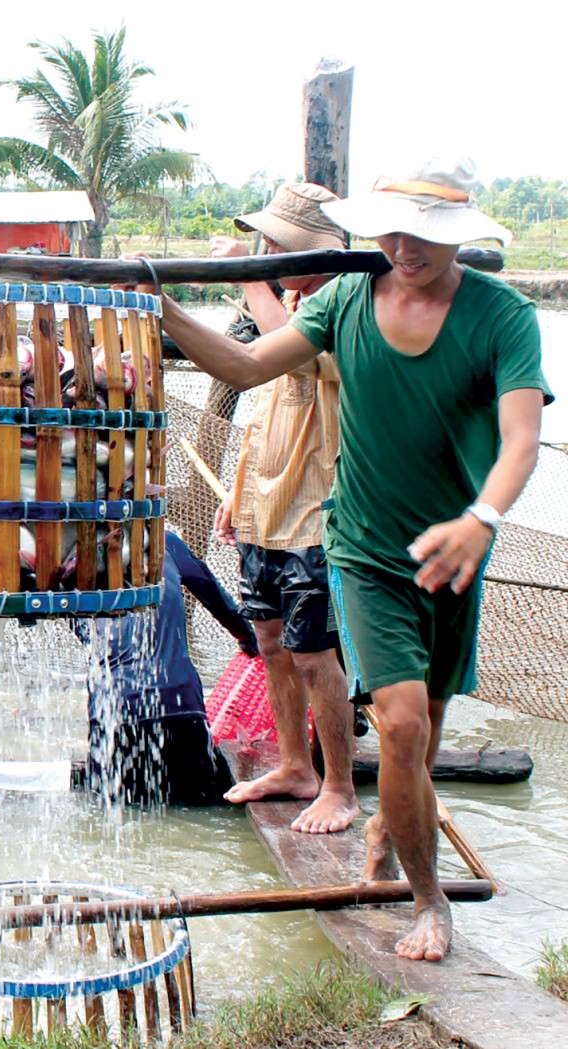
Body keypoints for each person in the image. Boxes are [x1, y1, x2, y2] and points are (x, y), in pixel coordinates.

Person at [138, 158, 548, 964]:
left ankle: (392, 838)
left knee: (422, 738)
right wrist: (164, 307)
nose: (404, 246)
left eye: (425, 234)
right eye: (391, 230)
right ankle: (429, 905)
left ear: (457, 239)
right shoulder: (345, 300)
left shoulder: (502, 316)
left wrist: (481, 518)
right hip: (360, 547)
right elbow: (251, 365)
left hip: (452, 547)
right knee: (396, 723)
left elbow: (522, 440)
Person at [206, 183, 359, 834]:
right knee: (268, 643)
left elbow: (280, 355)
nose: (268, 252)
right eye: (265, 244)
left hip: (314, 519)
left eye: (278, 244)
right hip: (266, 515)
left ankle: (341, 787)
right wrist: (237, 498)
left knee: (316, 655)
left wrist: (246, 276)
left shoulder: (339, 309)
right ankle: (295, 765)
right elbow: (263, 414)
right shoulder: (292, 301)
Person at [74, 531, 259, 806]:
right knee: (200, 807)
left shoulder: (70, 559)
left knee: (115, 812)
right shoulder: (165, 542)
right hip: (180, 704)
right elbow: (219, 602)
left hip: (115, 710)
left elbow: (90, 634)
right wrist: (250, 641)